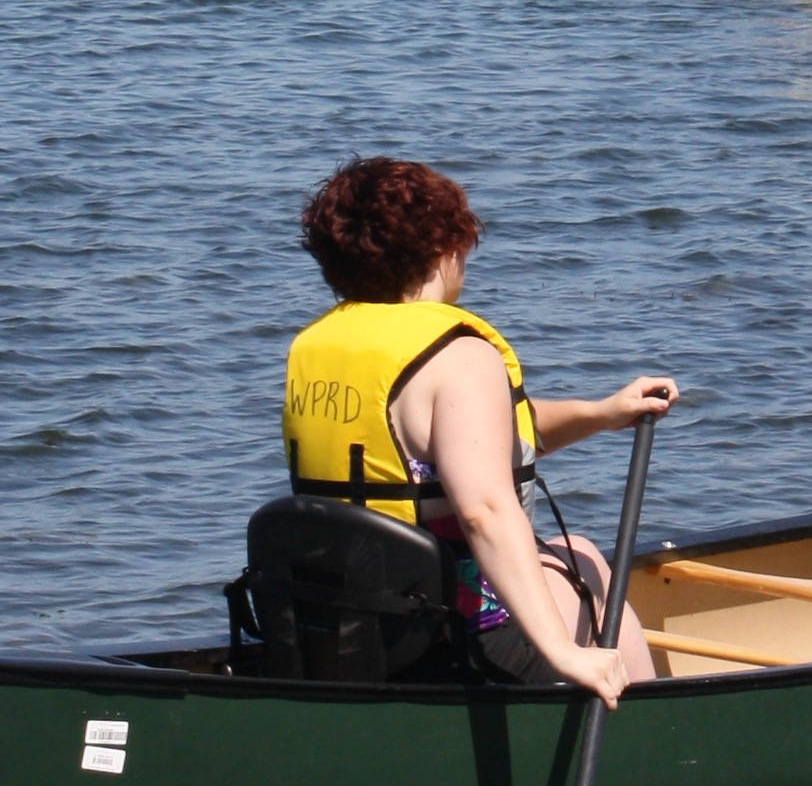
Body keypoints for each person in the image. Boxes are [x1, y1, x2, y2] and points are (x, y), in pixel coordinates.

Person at [283, 157, 678, 708]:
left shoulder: (319, 347)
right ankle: (653, 735)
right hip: (446, 641)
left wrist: (604, 412)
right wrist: (565, 654)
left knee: (577, 550)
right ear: (444, 250)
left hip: (345, 627)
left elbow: (469, 442)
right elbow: (484, 510)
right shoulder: (461, 357)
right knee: (593, 574)